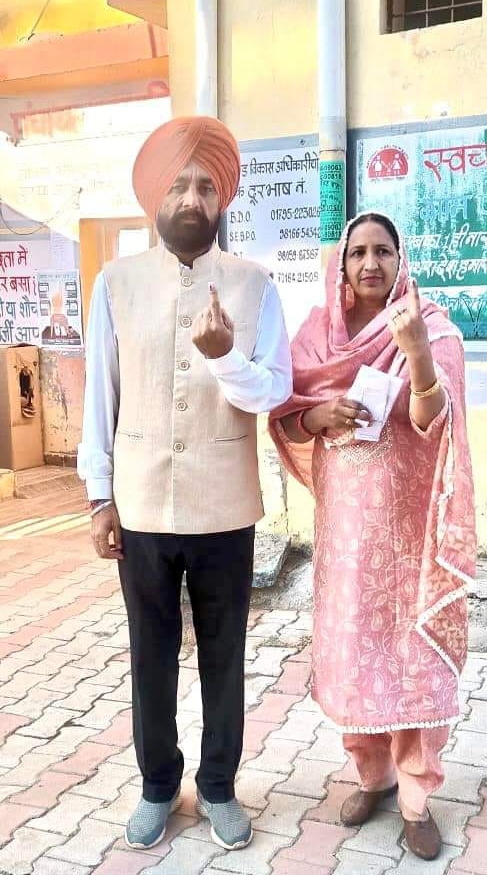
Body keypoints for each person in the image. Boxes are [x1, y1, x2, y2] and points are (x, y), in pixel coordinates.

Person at [78, 116, 292, 853]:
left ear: (222, 195)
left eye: (205, 183)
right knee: (151, 651)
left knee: (226, 653)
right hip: (140, 501)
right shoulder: (115, 283)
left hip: (224, 501)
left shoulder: (256, 285)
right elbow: (100, 395)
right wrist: (99, 495)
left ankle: (222, 786)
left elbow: (273, 392)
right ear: (155, 197)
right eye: (178, 183)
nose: (192, 196)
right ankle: (159, 784)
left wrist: (227, 357)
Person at [270, 212, 476, 861]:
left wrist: (415, 354)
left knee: (411, 657)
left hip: (411, 532)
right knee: (355, 647)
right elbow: (285, 420)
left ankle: (416, 795)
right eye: (357, 251)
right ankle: (372, 775)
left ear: (399, 258)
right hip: (346, 536)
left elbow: (432, 421)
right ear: (341, 264)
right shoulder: (315, 336)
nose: (369, 263)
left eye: (382, 251)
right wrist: (315, 411)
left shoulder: (432, 327)